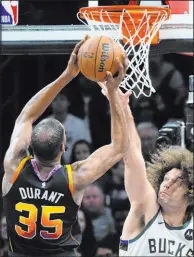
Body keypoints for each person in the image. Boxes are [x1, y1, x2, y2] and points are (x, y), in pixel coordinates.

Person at [2, 35, 129, 257]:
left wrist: (66, 75)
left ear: (30, 145)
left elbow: (25, 116)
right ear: (64, 147)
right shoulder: (75, 178)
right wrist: (112, 92)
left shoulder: (13, 166)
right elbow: (118, 147)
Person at [99, 83, 193, 256]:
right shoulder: (146, 208)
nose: (167, 184)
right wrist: (124, 109)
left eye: (177, 182)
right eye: (166, 179)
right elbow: (133, 158)